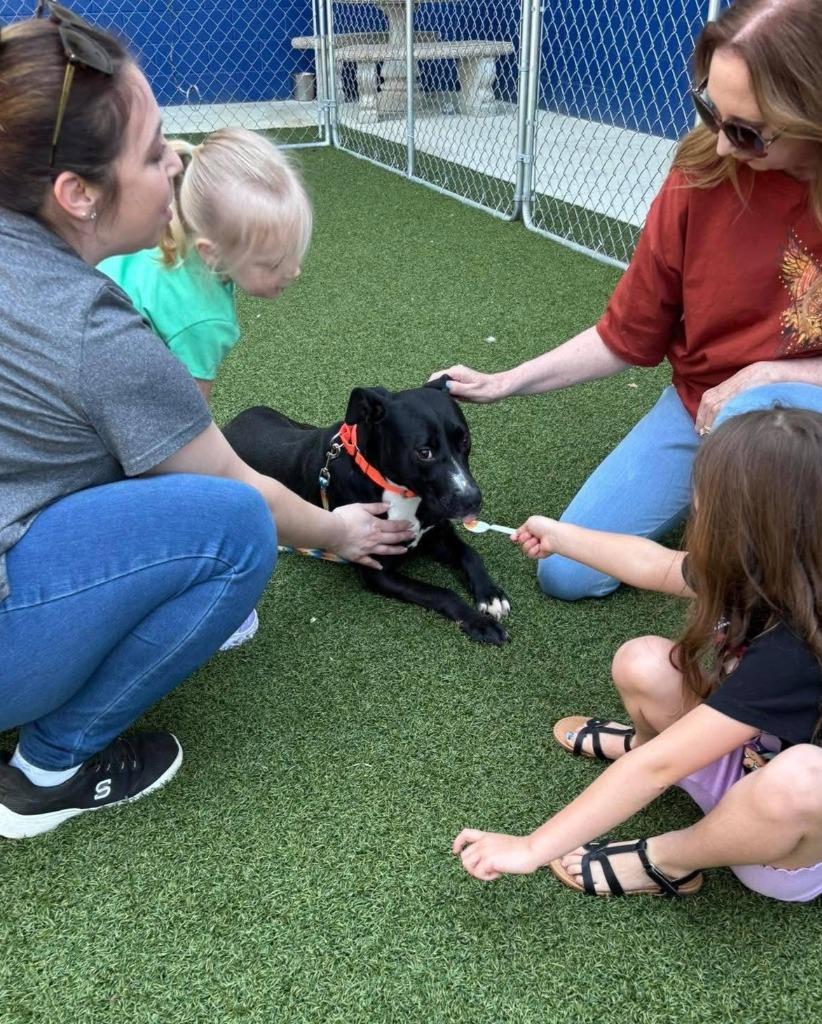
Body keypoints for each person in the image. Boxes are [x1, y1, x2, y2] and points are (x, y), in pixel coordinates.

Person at [0, 5, 412, 839]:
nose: (178, 160)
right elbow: (228, 484)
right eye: (153, 151)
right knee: (233, 529)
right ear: (76, 194)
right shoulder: (94, 330)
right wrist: (338, 535)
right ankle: (49, 770)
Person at [432, 0, 822, 601]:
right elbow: (627, 332)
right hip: (702, 408)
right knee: (567, 571)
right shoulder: (701, 170)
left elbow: (762, 391)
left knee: (762, 407)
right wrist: (504, 382)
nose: (719, 145)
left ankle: (760, 548)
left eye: (745, 131)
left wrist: (769, 373)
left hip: (796, 417)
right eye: (709, 110)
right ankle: (742, 522)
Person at [454, 408, 822, 901]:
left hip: (784, 839)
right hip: (747, 752)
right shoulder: (769, 567)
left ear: (750, 529)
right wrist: (563, 538)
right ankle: (655, 747)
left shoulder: (795, 650)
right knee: (644, 661)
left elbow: (657, 769)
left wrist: (531, 847)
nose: (694, 503)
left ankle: (668, 858)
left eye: (704, 494)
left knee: (801, 781)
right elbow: (656, 564)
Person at [98, 127, 310, 404]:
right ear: (211, 253)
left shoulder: (166, 233)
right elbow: (189, 415)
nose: (294, 271)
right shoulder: (205, 319)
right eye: (272, 264)